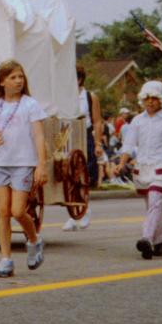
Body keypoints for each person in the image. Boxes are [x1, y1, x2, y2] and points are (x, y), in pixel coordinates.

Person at [0, 60, 48, 277]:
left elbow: (38, 135)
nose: (18, 81)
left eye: (20, 77)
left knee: (18, 211)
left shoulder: (30, 105)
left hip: (23, 163)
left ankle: (34, 240)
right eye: (13, 77)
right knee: (3, 212)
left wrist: (41, 165)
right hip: (1, 163)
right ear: (2, 81)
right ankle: (6, 259)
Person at [119, 81, 162, 260]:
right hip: (142, 168)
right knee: (152, 206)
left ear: (161, 100)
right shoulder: (137, 120)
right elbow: (128, 144)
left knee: (155, 201)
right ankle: (160, 242)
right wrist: (121, 163)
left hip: (160, 168)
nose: (150, 102)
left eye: (154, 98)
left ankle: (146, 238)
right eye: (147, 98)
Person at [63, 64, 103, 230]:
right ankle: (73, 214)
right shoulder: (64, 96)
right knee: (68, 175)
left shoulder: (89, 96)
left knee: (82, 175)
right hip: (68, 134)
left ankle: (85, 209)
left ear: (79, 79)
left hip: (84, 135)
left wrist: (98, 143)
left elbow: (97, 121)